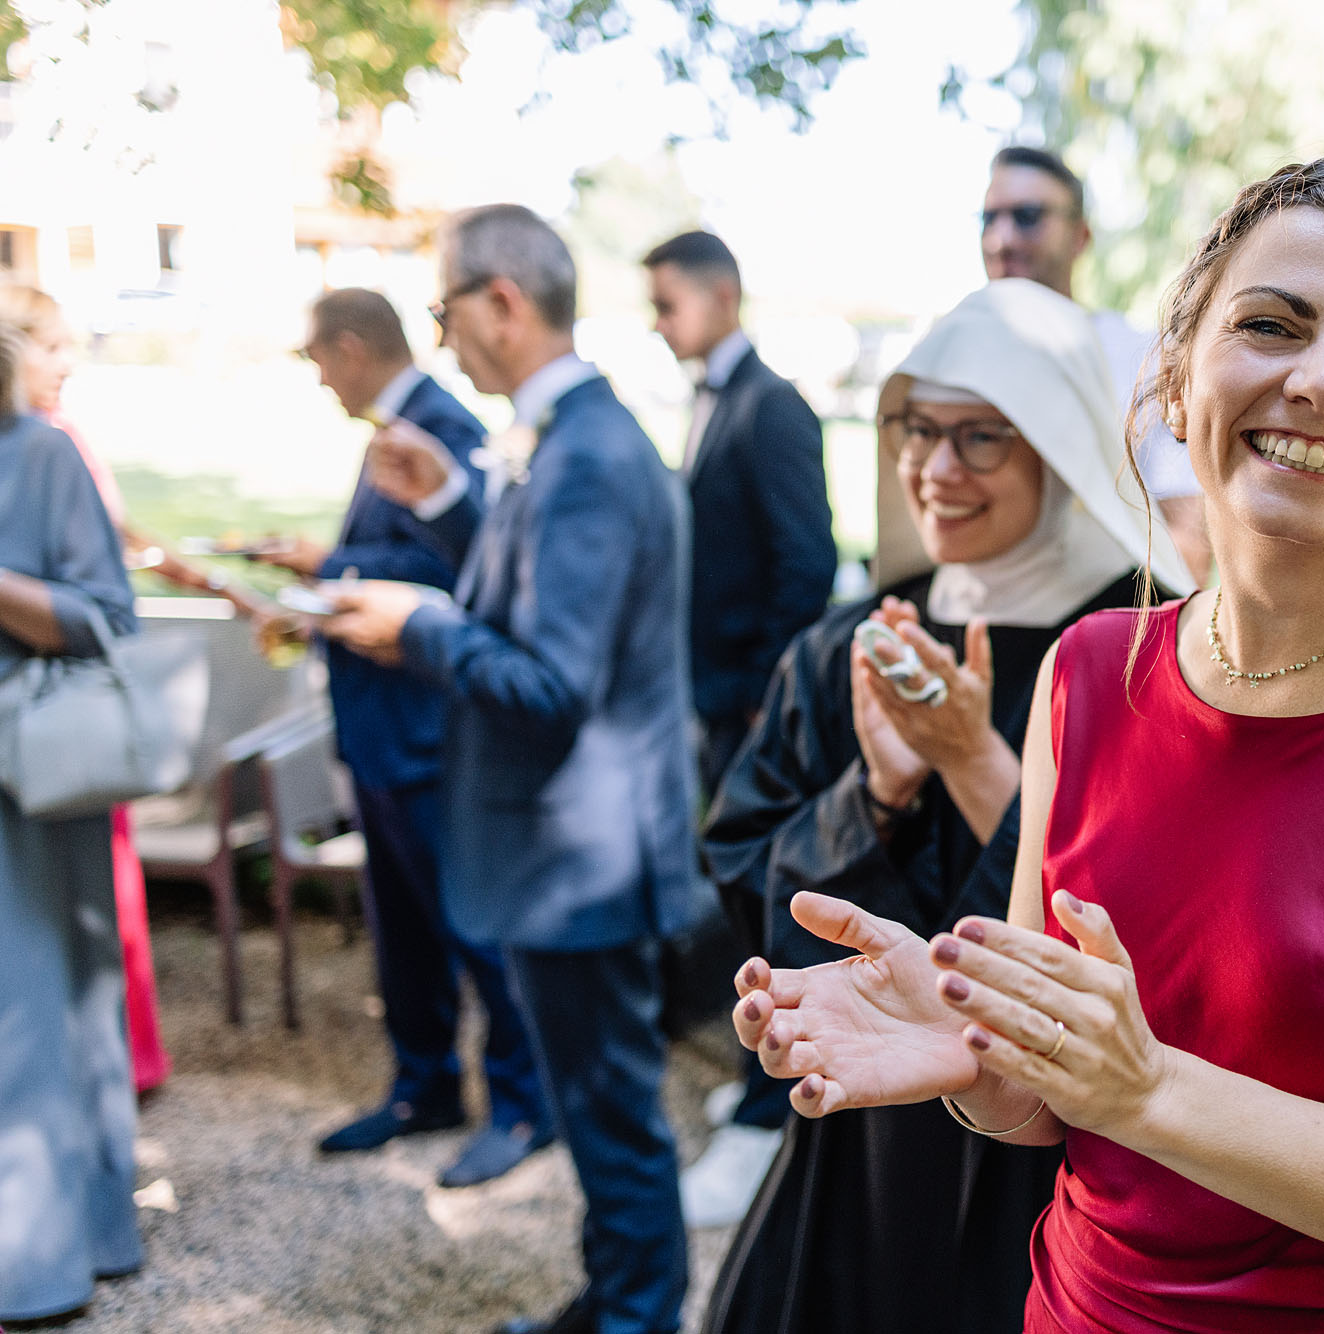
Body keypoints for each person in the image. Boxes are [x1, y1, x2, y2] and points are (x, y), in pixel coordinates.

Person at [730, 156, 1324, 1332]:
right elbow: (1052, 1100)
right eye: (1269, 324)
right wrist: (975, 1050)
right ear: (1173, 379)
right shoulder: (1086, 673)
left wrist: (1152, 1088)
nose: (1319, 378)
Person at [700, 278, 1192, 1334]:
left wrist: (973, 762)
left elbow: (1149, 926)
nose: (935, 468)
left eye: (980, 437)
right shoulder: (848, 644)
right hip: (856, 1145)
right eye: (918, 429)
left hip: (1036, 1151)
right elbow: (745, 876)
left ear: (1057, 448)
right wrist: (873, 792)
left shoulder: (1146, 654)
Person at [322, 205, 698, 1334]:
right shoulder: (566, 436)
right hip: (570, 842)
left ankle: (638, 1316)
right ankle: (613, 1299)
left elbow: (550, 682)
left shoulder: (586, 453)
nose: (440, 338)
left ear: (502, 302)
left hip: (583, 851)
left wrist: (417, 627)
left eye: (444, 311)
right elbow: (531, 591)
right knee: (593, 1108)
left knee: (613, 1115)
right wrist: (447, 507)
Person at [258, 287, 551, 1187]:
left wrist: (332, 570)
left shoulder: (440, 424)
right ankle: (423, 1086)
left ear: (351, 348)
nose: (320, 380)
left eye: (318, 360)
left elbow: (462, 572)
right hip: (381, 727)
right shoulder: (404, 421)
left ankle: (523, 1106)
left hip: (429, 728)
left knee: (471, 927)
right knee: (404, 931)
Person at [643, 230, 838, 1228]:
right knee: (739, 888)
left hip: (759, 706)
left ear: (721, 295)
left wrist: (769, 697)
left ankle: (768, 1118)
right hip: (719, 701)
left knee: (774, 901)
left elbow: (807, 560)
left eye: (666, 302)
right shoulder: (713, 400)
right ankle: (761, 1079)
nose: (655, 322)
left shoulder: (772, 405)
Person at [0, 322, 145, 1322]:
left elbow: (106, 615)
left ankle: (46, 1260)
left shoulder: (41, 452)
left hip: (26, 787)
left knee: (38, 1015)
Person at [0, 282, 172, 1094]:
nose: (66, 363)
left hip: (40, 754)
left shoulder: (44, 449)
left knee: (58, 977)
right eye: (52, 346)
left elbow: (106, 609)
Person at [982, 146, 1212, 583]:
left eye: (1027, 216)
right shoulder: (961, 365)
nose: (1001, 239)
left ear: (1080, 235)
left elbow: (1188, 546)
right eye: (988, 219)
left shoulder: (1142, 359)